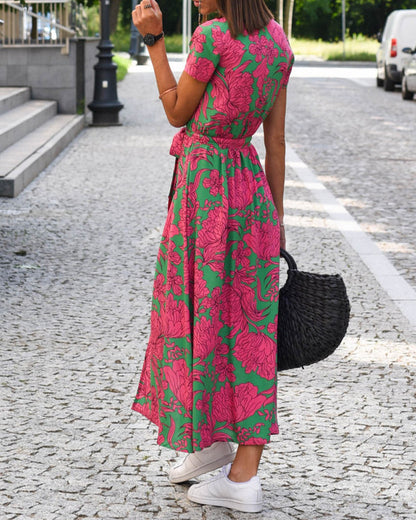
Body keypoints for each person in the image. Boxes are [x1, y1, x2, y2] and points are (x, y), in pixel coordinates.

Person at [131, 0, 293, 513]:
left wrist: (155, 42)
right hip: (251, 193)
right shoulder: (278, 42)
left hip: (204, 194)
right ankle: (216, 447)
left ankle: (243, 479)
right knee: (247, 328)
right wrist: (276, 223)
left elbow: (177, 111)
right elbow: (276, 140)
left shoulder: (211, 37)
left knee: (193, 315)